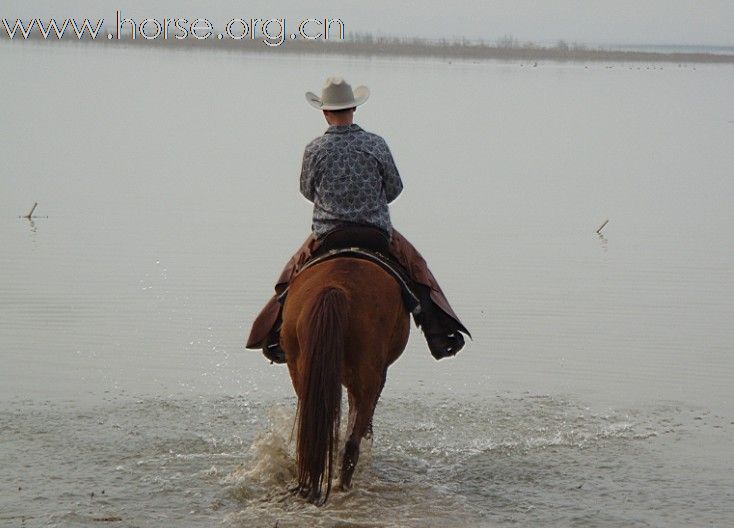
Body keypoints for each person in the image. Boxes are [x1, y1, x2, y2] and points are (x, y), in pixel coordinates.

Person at [246, 76, 470, 363]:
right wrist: (368, 203)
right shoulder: (375, 144)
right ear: (353, 109)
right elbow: (394, 188)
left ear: (325, 113)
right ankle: (438, 333)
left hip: (329, 234)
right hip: (375, 232)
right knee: (418, 269)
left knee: (291, 274)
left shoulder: (315, 149)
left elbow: (306, 190)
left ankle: (276, 333)